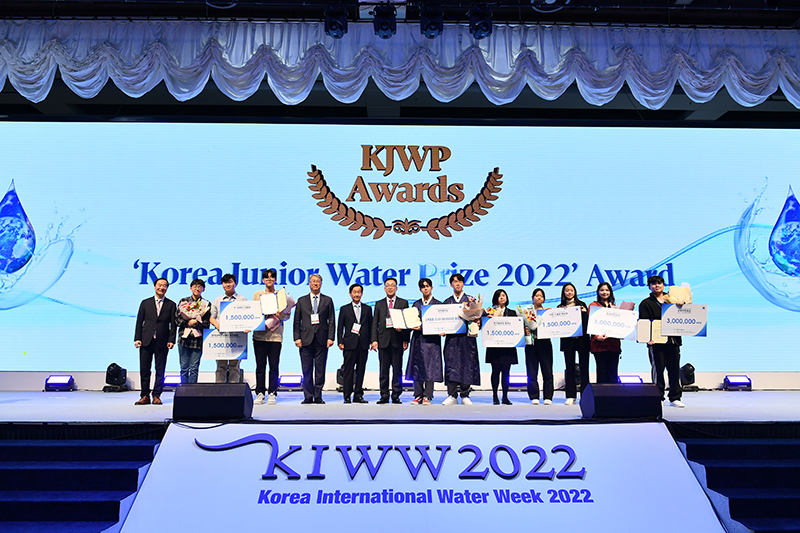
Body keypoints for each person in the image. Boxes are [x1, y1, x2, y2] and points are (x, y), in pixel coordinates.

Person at [639, 275, 685, 408]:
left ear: (664, 285)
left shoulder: (673, 300)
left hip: (673, 341)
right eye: (653, 284)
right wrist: (648, 338)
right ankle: (658, 396)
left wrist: (682, 305)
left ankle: (675, 397)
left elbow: (686, 314)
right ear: (649, 287)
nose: (657, 285)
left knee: (674, 370)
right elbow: (644, 323)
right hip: (656, 343)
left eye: (659, 283)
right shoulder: (646, 303)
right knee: (658, 371)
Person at [133, 277, 177, 405]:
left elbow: (173, 325)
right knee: (144, 369)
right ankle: (144, 395)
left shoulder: (171, 304)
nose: (162, 288)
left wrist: (171, 340)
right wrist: (137, 338)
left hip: (162, 341)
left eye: (164, 286)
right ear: (154, 286)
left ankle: (157, 395)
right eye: (159, 285)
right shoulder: (145, 303)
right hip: (146, 340)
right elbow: (139, 322)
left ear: (167, 288)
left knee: (160, 369)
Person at [293, 273, 335, 404]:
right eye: (313, 281)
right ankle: (308, 396)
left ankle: (318, 396)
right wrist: (297, 338)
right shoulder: (302, 300)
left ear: (321, 284)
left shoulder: (328, 300)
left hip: (322, 339)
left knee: (320, 369)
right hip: (305, 339)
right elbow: (297, 321)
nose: (315, 283)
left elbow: (332, 320)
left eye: (318, 281)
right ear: (309, 283)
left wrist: (331, 337)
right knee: (306, 369)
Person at [252, 269, 291, 405]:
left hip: (275, 336)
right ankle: (260, 392)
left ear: (275, 279)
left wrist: (281, 315)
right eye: (266, 277)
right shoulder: (258, 294)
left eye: (272, 277)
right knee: (260, 366)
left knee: (274, 366)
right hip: (260, 336)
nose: (269, 279)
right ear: (263, 280)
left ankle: (272, 392)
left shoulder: (281, 295)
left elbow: (287, 316)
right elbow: (253, 312)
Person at [441, 273, 480, 405]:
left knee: (467, 363)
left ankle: (465, 394)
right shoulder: (447, 302)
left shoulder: (471, 300)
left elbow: (478, 318)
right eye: (454, 281)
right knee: (451, 364)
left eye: (460, 281)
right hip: (452, 338)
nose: (457, 284)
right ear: (451, 284)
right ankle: (452, 395)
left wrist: (477, 321)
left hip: (467, 338)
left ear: (463, 284)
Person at [371, 277, 410, 404]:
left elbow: (407, 323)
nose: (390, 287)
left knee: (397, 370)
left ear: (396, 288)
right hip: (383, 341)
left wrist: (405, 339)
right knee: (383, 370)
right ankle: (384, 395)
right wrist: (374, 340)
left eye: (392, 285)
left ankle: (396, 395)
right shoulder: (379, 304)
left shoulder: (403, 303)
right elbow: (374, 323)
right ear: (384, 288)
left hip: (397, 340)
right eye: (388, 285)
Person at [404, 278, 443, 405]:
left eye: (427, 286)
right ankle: (418, 395)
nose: (425, 288)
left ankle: (427, 395)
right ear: (420, 289)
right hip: (418, 339)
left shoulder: (438, 305)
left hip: (432, 340)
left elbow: (441, 323)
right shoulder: (416, 304)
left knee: (430, 367)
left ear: (431, 288)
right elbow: (411, 321)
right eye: (423, 287)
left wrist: (443, 329)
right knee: (416, 366)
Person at [209, 273, 248, 384]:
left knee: (235, 366)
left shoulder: (242, 299)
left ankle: (234, 390)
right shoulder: (217, 300)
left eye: (230, 282)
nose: (228, 285)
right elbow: (212, 317)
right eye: (225, 282)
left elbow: (246, 317)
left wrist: (246, 327)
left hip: (237, 336)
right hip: (221, 337)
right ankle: (219, 390)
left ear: (235, 283)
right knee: (220, 365)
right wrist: (217, 325)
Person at [337, 283, 372, 404]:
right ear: (350, 294)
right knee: (348, 371)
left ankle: (358, 395)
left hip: (363, 344)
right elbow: (340, 327)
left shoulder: (368, 309)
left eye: (359, 292)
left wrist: (372, 341)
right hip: (349, 344)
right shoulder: (344, 309)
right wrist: (340, 341)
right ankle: (347, 395)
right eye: (354, 292)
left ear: (362, 294)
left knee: (361, 370)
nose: (357, 294)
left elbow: (371, 327)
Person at [485, 289, 518, 405]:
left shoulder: (512, 313)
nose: (502, 297)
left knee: (506, 372)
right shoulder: (489, 311)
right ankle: (495, 396)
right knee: (495, 371)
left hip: (508, 348)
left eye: (504, 295)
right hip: (494, 347)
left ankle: (505, 396)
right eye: (499, 296)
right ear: (495, 298)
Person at [558, 282, 590, 405]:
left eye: (571, 290)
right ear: (563, 292)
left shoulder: (581, 305)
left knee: (584, 368)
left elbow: (587, 324)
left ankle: (585, 395)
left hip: (582, 341)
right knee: (570, 368)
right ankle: (571, 396)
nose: (569, 292)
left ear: (575, 292)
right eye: (567, 290)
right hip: (568, 342)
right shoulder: (560, 307)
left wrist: (585, 313)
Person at [175, 278, 211, 384]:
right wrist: (188, 322)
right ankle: (183, 390)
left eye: (200, 287)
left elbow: (206, 324)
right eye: (195, 286)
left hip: (197, 340)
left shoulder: (206, 304)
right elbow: (177, 320)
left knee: (194, 368)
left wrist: (196, 323)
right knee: (184, 367)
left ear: (203, 289)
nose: (197, 289)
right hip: (183, 339)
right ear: (191, 288)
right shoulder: (183, 301)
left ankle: (192, 390)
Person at [524, 288, 554, 405]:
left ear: (544, 299)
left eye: (541, 296)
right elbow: (520, 325)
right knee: (531, 371)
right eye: (537, 296)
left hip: (545, 343)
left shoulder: (548, 312)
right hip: (531, 343)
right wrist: (524, 330)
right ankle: (534, 396)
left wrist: (552, 315)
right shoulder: (527, 312)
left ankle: (548, 396)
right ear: (532, 298)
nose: (539, 298)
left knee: (547, 371)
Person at [589, 282, 622, 384]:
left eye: (607, 290)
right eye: (602, 290)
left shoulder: (615, 307)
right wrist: (596, 336)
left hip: (613, 344)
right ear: (598, 292)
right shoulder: (593, 305)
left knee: (613, 373)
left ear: (610, 292)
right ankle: (601, 394)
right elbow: (591, 323)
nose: (604, 292)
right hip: (599, 345)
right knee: (601, 372)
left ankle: (613, 393)